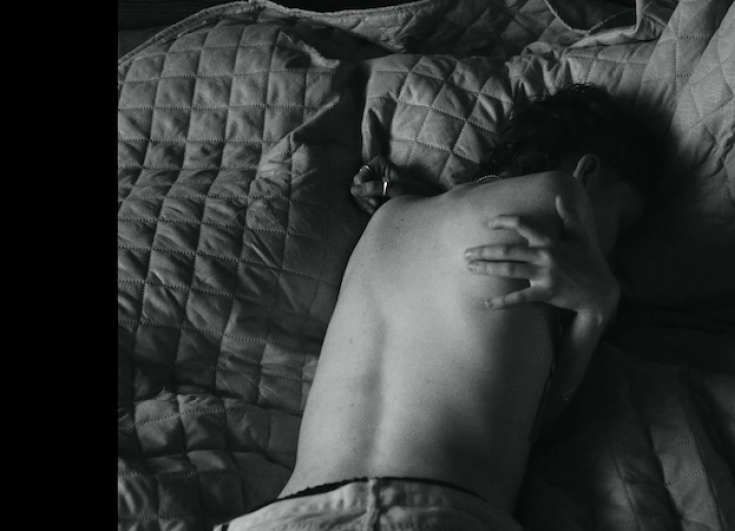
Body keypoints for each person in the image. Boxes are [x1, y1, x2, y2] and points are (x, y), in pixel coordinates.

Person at [215, 84, 654, 531]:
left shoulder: (391, 215)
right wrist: (599, 307)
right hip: (434, 511)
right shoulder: (563, 195)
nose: (616, 258)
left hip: (286, 515)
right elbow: (538, 427)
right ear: (588, 172)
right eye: (621, 224)